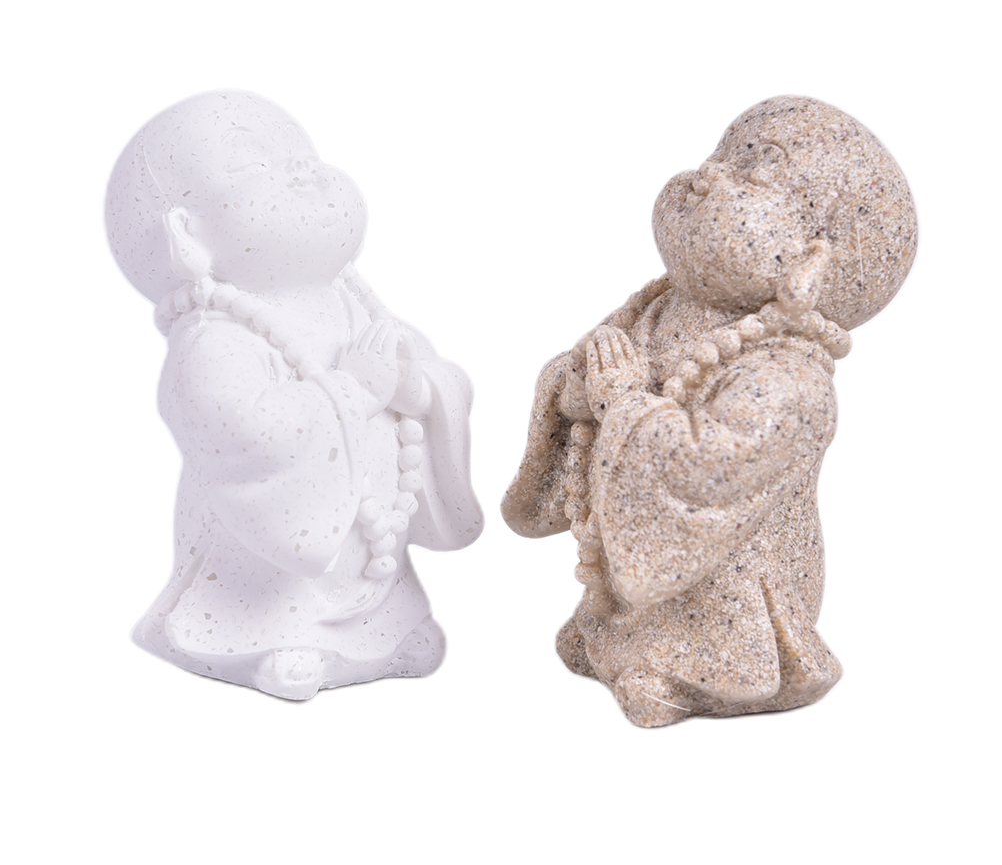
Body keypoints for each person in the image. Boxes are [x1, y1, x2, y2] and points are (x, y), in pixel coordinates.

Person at [502, 96, 917, 726]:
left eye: (753, 174)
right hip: (630, 577)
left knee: (717, 598)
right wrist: (574, 393)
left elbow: (708, 467)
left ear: (808, 261)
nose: (707, 174)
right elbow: (585, 372)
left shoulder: (790, 379)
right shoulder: (657, 307)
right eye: (718, 155)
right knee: (613, 613)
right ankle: (617, 634)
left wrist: (625, 404)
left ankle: (695, 673)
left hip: (733, 582)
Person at [107, 90, 482, 699]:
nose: (303, 171)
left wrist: (419, 390)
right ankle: (268, 637)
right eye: (253, 164)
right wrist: (355, 389)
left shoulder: (355, 302)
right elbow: (245, 432)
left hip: (372, 544)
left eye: (300, 154)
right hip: (261, 566)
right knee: (275, 582)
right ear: (187, 233)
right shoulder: (215, 338)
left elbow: (439, 377)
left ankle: (384, 626)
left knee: (375, 565)